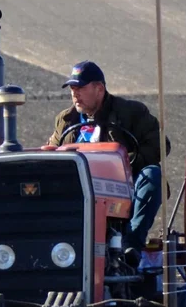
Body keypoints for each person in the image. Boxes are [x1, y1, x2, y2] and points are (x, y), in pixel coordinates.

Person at [47, 61, 164, 251]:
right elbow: (53, 149)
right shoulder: (66, 120)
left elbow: (159, 145)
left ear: (99, 89)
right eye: (72, 89)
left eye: (81, 88)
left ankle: (131, 244)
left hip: (120, 184)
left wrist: (127, 163)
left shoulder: (130, 112)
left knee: (152, 175)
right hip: (76, 186)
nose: (75, 94)